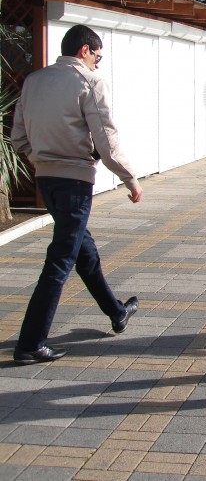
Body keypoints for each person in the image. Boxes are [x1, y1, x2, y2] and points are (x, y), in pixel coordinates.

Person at [10, 24, 142, 364]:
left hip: (46, 179)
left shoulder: (34, 81)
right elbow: (106, 139)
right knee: (60, 260)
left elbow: (18, 137)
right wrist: (130, 178)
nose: (98, 63)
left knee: (83, 250)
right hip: (75, 182)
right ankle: (30, 344)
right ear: (85, 50)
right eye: (98, 56)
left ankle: (117, 312)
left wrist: (43, 158)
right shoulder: (90, 81)